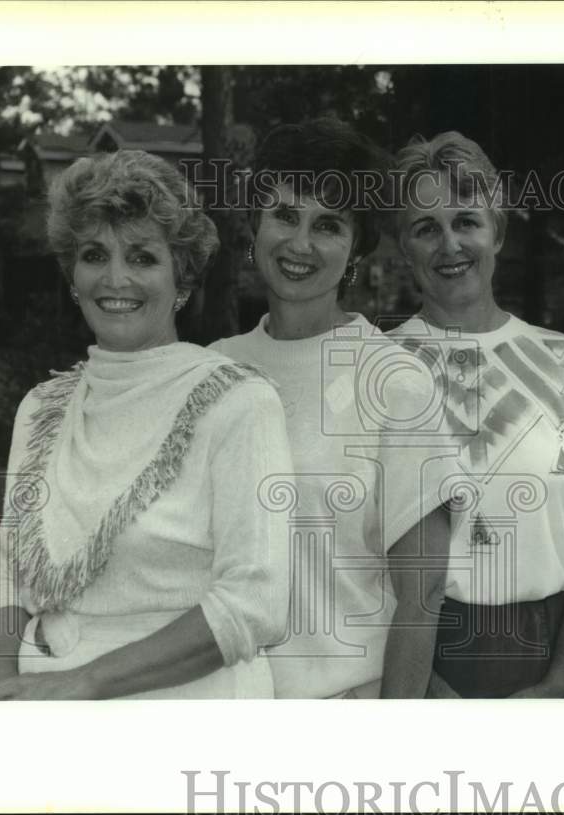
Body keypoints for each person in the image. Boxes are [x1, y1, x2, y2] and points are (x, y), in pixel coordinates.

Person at [0, 149, 292, 699]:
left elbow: (255, 601)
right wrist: (2, 691)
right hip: (43, 715)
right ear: (72, 276)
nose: (115, 277)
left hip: (186, 712)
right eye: (95, 254)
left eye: (143, 257)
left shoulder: (239, 401)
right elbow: (8, 573)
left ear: (183, 280)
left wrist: (82, 683)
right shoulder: (42, 406)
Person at [390, 132, 564, 698]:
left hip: (558, 663)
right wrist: (420, 685)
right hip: (421, 667)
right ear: (403, 248)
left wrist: (560, 682)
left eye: (467, 221)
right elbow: (352, 557)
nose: (449, 244)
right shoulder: (376, 368)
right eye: (425, 227)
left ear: (498, 232)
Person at [209, 118, 456, 699]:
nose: (300, 244)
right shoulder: (213, 371)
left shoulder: (395, 382)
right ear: (254, 225)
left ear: (355, 250)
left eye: (328, 225)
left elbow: (424, 595)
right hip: (220, 704)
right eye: (285, 215)